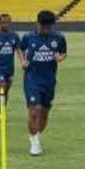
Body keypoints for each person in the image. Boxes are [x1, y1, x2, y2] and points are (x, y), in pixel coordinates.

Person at [20, 10, 67, 156]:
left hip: (49, 80)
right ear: (37, 23)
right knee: (34, 109)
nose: (45, 30)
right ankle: (34, 143)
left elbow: (63, 53)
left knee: (44, 113)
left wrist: (60, 58)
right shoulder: (28, 37)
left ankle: (36, 135)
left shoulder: (58, 37)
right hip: (32, 78)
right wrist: (23, 60)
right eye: (43, 26)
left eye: (48, 27)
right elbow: (21, 49)